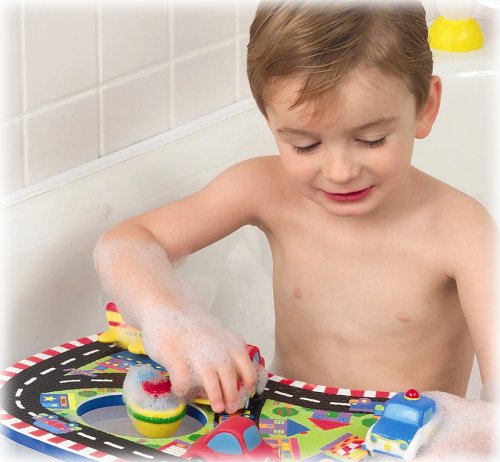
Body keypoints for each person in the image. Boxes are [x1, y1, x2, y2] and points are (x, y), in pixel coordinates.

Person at [94, 0, 496, 436]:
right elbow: (128, 242)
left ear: (426, 107)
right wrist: (173, 320)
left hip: (407, 447)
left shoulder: (461, 232)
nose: (339, 171)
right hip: (282, 439)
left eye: (371, 139)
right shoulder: (265, 188)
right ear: (270, 122)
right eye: (305, 145)